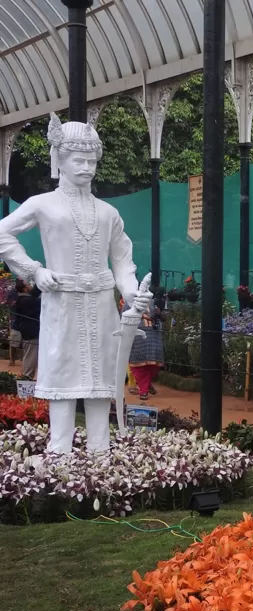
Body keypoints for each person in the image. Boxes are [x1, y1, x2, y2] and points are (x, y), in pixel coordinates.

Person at [0, 114, 150, 454]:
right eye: (77, 160)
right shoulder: (42, 205)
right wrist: (34, 271)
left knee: (101, 382)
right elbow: (2, 232)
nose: (85, 167)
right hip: (62, 301)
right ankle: (59, 455)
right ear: (60, 161)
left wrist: (131, 292)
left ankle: (100, 454)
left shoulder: (108, 213)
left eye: (90, 161)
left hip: (101, 303)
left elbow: (123, 258)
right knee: (63, 380)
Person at [128, 293, 168, 401]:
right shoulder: (129, 303)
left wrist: (159, 313)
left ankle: (147, 383)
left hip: (154, 337)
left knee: (155, 366)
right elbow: (123, 317)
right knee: (137, 366)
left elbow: (165, 318)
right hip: (137, 337)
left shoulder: (154, 302)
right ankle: (143, 391)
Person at [15, 284, 41, 379]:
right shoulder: (26, 300)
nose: (30, 285)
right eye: (28, 285)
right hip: (31, 333)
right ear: (25, 289)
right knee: (31, 357)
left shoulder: (24, 299)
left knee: (31, 355)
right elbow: (36, 301)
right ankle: (26, 379)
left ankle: (28, 377)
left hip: (29, 332)